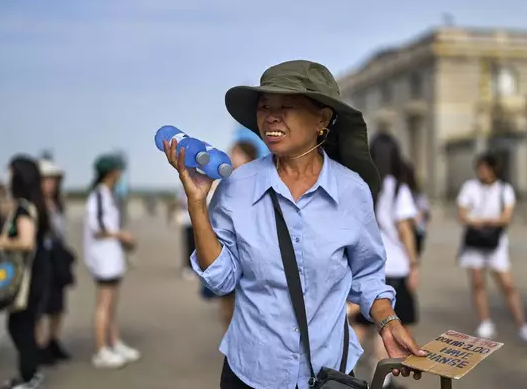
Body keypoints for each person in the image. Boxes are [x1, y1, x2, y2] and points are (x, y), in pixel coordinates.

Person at [162, 60, 424, 389]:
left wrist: (388, 323)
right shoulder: (237, 187)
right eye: (265, 106)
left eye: (287, 105)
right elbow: (221, 280)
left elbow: (368, 276)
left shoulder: (351, 191)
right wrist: (197, 203)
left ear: (323, 120)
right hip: (251, 372)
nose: (271, 115)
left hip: (328, 373)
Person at [350, 133, 420, 389]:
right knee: (388, 325)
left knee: (360, 323)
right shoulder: (397, 188)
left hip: (367, 266)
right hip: (395, 268)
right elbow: (405, 229)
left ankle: (340, 369)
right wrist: (414, 263)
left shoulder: (362, 185)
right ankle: (385, 381)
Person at [456, 152, 527, 343]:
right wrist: (487, 221)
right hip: (474, 243)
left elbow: (506, 217)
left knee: (507, 285)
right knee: (478, 282)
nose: (482, 171)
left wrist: (480, 221)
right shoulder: (470, 187)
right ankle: (485, 322)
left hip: (496, 244)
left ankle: (522, 324)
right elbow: (462, 214)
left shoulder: (504, 189)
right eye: (480, 168)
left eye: (486, 168)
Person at [0, 156, 51, 389]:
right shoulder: (29, 204)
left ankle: (30, 376)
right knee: (22, 325)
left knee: (20, 326)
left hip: (28, 277)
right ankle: (29, 373)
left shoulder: (25, 208)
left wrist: (3, 241)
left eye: (9, 172)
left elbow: (27, 242)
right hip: (35, 275)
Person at [83, 154, 140, 369]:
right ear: (112, 172)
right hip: (102, 259)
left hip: (112, 258)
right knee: (103, 305)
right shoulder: (97, 195)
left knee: (111, 305)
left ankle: (114, 342)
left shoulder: (108, 194)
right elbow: (97, 229)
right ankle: (100, 350)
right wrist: (121, 236)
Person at [199, 140, 259, 330]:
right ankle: (230, 339)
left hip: (248, 254)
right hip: (224, 249)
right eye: (231, 153)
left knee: (245, 305)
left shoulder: (258, 183)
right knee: (226, 301)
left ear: (250, 158)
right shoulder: (223, 183)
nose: (231, 158)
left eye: (236, 153)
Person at [37, 159, 73, 364]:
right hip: (43, 258)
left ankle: (53, 341)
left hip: (57, 257)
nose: (50, 185)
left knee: (58, 304)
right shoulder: (36, 205)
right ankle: (40, 345)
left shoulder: (58, 203)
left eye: (53, 181)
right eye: (46, 180)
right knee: (42, 304)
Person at [404, 163, 430, 257]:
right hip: (406, 228)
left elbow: (424, 210)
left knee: (414, 254)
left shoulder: (417, 193)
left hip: (417, 229)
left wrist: (415, 219)